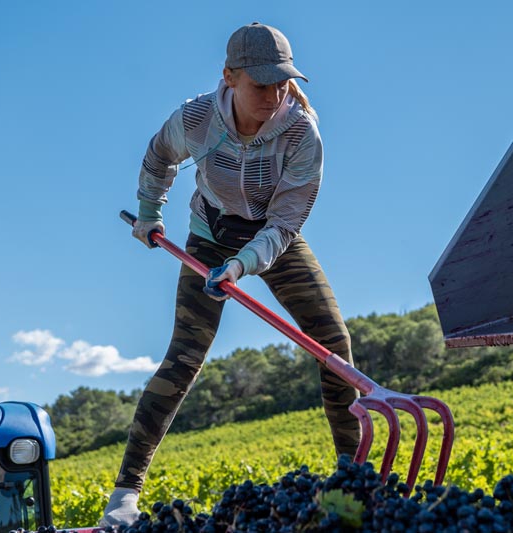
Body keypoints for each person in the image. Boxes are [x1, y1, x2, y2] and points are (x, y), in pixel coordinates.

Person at [99, 22, 361, 527]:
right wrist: (150, 211)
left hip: (272, 239)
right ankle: (124, 495)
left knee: (333, 340)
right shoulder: (197, 119)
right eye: (261, 85)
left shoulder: (303, 134)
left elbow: (286, 222)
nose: (275, 95)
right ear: (230, 77)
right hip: (210, 234)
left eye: (283, 82)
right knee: (183, 358)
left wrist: (241, 266)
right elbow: (159, 157)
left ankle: (351, 484)